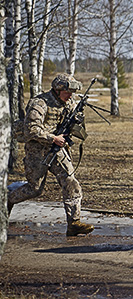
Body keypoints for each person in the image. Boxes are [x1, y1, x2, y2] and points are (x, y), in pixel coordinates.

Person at [8, 73, 95, 237]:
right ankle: (7, 200)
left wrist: (76, 122)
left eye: (72, 92)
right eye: (67, 92)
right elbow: (31, 130)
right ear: (58, 89)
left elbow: (75, 129)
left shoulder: (69, 103)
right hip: (37, 151)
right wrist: (53, 138)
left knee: (70, 181)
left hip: (58, 149)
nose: (70, 95)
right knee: (35, 189)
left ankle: (74, 223)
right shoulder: (39, 103)